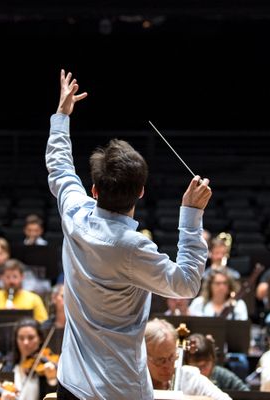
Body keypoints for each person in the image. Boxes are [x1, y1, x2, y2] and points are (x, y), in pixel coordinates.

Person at [46, 70, 211, 400]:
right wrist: (191, 217)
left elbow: (60, 167)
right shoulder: (135, 247)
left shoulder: (75, 213)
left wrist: (62, 115)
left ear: (93, 189)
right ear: (140, 192)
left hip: (71, 383)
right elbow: (186, 284)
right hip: (118, 389)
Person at [145, 319, 231, 399]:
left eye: (172, 357)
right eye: (160, 360)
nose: (167, 365)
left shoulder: (189, 377)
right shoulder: (134, 383)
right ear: (143, 357)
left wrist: (183, 398)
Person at [0, 259, 48, 323]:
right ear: (1, 277)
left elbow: (43, 323)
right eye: (8, 277)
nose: (11, 281)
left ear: (22, 277)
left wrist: (18, 315)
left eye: (15, 277)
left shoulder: (34, 299)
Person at [6, 318, 57, 400]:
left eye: (31, 338)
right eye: (21, 338)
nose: (25, 342)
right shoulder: (8, 367)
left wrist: (52, 380)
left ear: (40, 339)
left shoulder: (44, 368)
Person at [185, 333, 249, 392]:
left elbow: (247, 394)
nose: (201, 371)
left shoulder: (222, 375)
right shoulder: (180, 376)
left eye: (204, 366)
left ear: (213, 361)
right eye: (196, 367)